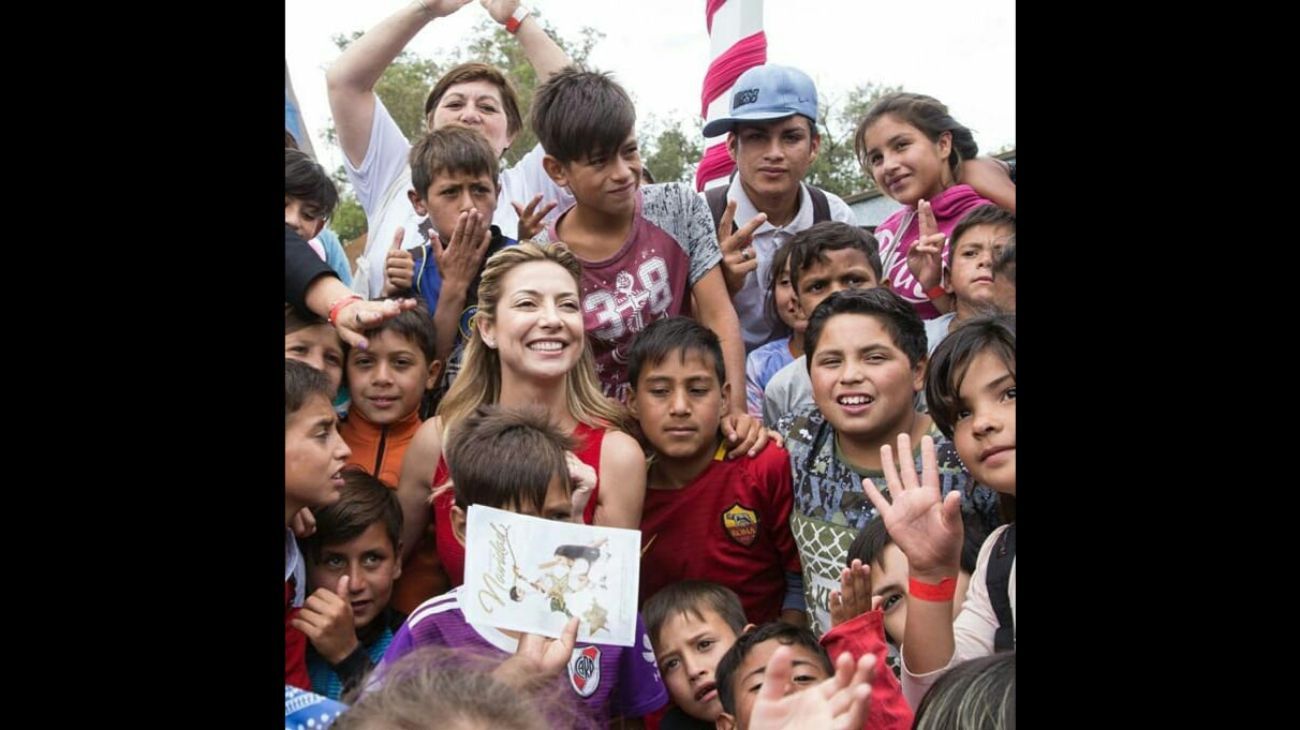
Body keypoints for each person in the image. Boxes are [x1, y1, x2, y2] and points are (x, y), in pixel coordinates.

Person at [862, 314, 1015, 707]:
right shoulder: (999, 555)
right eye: (962, 413)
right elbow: (942, 702)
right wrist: (929, 576)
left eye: (1009, 393)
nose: (981, 423)